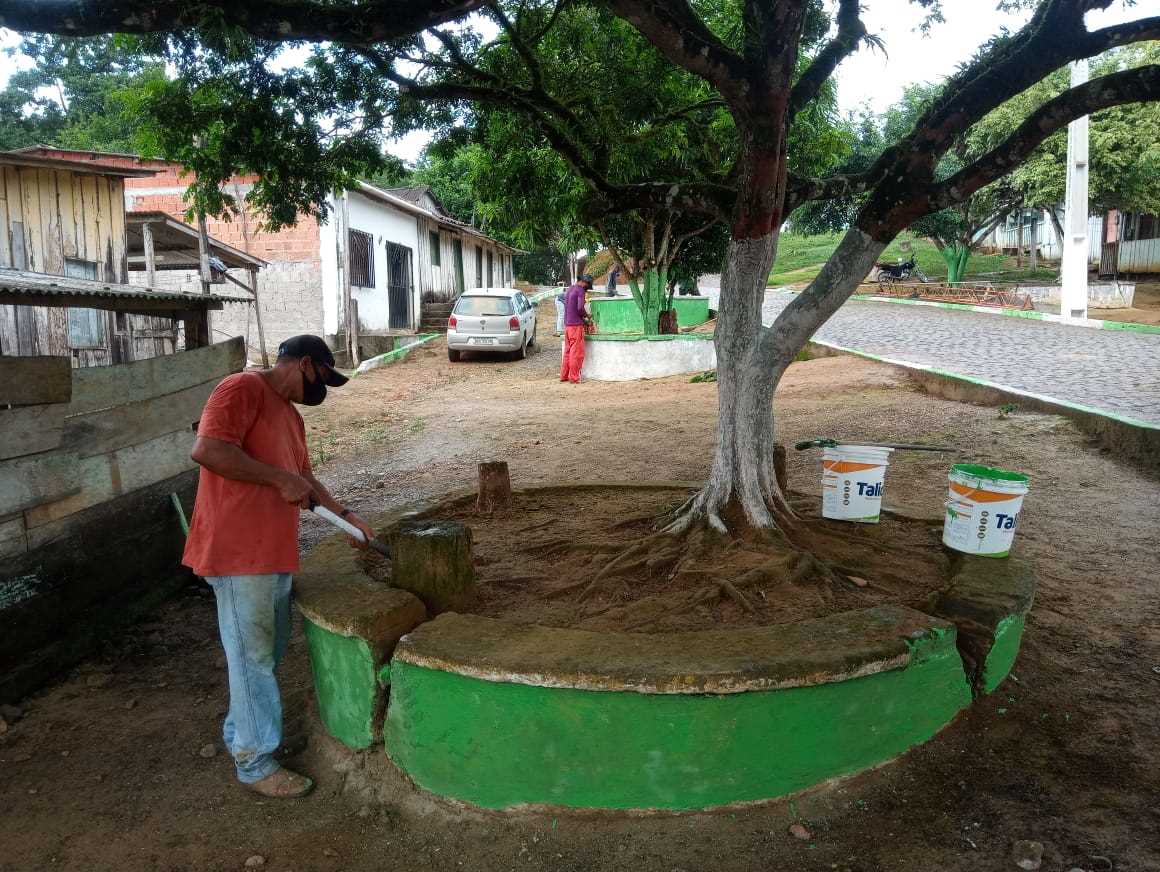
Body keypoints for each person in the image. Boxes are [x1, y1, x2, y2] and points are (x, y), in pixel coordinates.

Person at [183, 335, 375, 799]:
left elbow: (304, 480)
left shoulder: (288, 416)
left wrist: (347, 519)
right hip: (236, 552)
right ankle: (255, 762)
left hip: (271, 553)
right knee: (252, 659)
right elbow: (208, 450)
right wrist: (277, 478)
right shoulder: (241, 389)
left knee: (262, 656)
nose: (321, 392)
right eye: (322, 379)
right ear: (304, 364)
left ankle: (241, 736)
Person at [560, 273, 593, 383]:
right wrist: (587, 316)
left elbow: (570, 309)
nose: (586, 288)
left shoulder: (570, 289)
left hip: (567, 325)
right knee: (576, 352)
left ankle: (564, 376)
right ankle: (574, 378)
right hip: (575, 326)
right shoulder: (580, 290)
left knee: (568, 351)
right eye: (587, 286)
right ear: (584, 283)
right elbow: (579, 308)